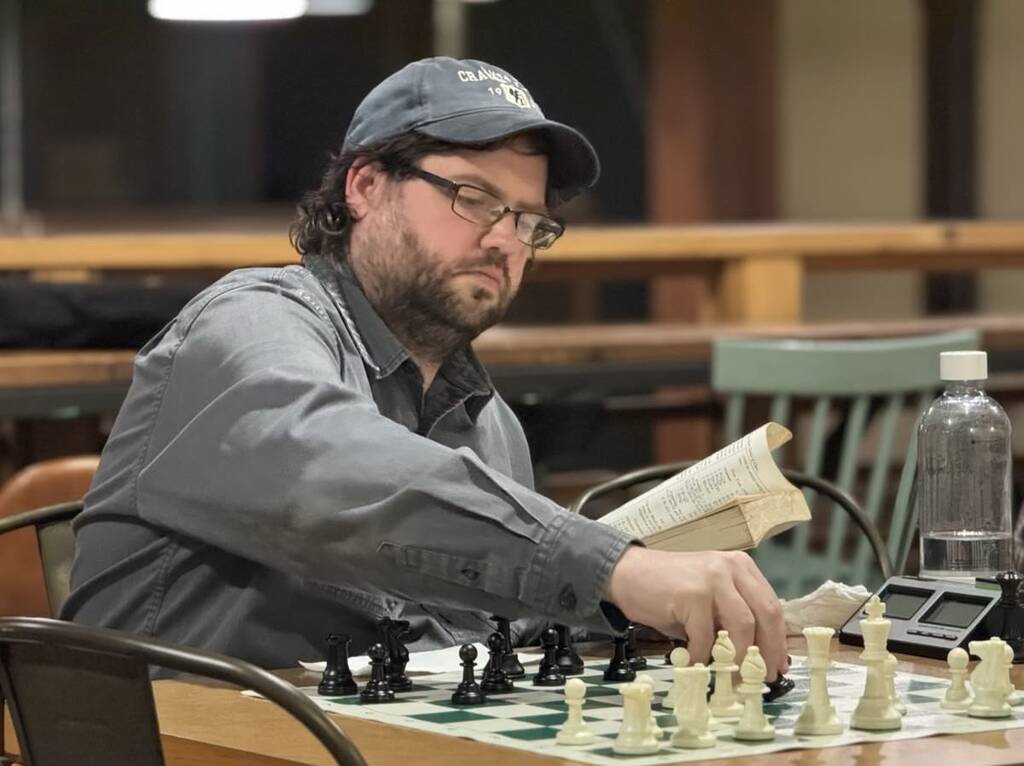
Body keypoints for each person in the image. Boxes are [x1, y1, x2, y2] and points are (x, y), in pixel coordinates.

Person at [62, 57, 787, 679]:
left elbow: (460, 638)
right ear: (365, 187)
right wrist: (613, 568)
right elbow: (328, 473)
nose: (507, 241)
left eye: (531, 222)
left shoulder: (488, 423)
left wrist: (622, 615)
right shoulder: (251, 321)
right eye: (474, 198)